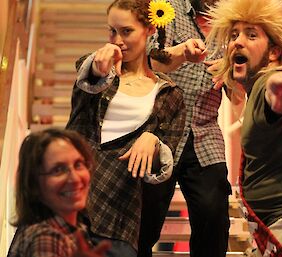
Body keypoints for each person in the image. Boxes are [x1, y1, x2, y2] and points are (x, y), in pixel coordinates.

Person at [66, 0, 186, 256]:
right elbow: (87, 81)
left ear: (149, 30)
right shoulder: (96, 73)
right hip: (71, 200)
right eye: (112, 31)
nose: (117, 40)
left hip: (120, 211)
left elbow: (163, 166)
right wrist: (100, 68)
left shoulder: (169, 94)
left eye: (126, 31)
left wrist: (152, 141)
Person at [206, 0, 282, 256]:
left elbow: (276, 102)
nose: (237, 41)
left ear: (273, 53)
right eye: (234, 35)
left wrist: (279, 89)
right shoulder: (256, 90)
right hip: (276, 227)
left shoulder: (265, 84)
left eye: (251, 35)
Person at [138, 1, 232, 257]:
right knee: (143, 222)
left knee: (213, 216)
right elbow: (146, 60)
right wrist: (182, 52)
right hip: (157, 131)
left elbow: (237, 96)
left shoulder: (233, 21)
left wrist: (232, 75)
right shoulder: (165, 7)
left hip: (204, 133)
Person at [7, 128, 111, 257]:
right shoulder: (47, 238)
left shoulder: (74, 229)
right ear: (33, 183)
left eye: (78, 164)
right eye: (58, 170)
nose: (75, 178)